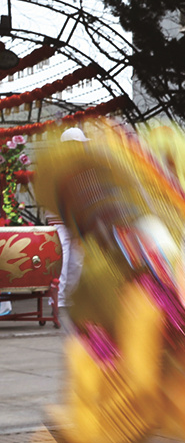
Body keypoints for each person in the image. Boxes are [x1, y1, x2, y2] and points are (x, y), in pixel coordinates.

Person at [53, 126, 88, 328]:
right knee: (62, 259)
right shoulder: (57, 166)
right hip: (60, 219)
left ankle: (69, 298)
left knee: (77, 261)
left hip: (76, 220)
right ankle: (57, 300)